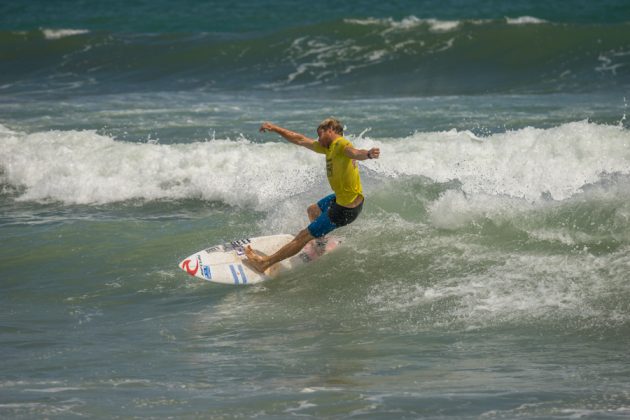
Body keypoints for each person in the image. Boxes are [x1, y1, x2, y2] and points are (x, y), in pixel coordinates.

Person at [244, 118, 380, 273]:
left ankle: (264, 263)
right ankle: (321, 244)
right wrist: (275, 128)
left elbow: (354, 152)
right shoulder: (329, 148)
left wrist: (368, 154)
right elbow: (300, 139)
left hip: (345, 210)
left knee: (303, 236)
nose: (318, 138)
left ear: (330, 130)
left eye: (319, 134)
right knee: (313, 210)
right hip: (342, 199)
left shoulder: (341, 144)